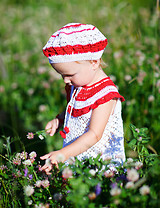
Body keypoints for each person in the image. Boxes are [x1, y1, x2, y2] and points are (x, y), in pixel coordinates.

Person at [40, 23, 125, 174]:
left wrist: (63, 154)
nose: (65, 80)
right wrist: (60, 119)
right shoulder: (79, 85)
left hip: (100, 163)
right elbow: (77, 113)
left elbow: (94, 134)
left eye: (70, 75)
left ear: (94, 62)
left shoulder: (105, 95)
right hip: (77, 155)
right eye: (62, 75)